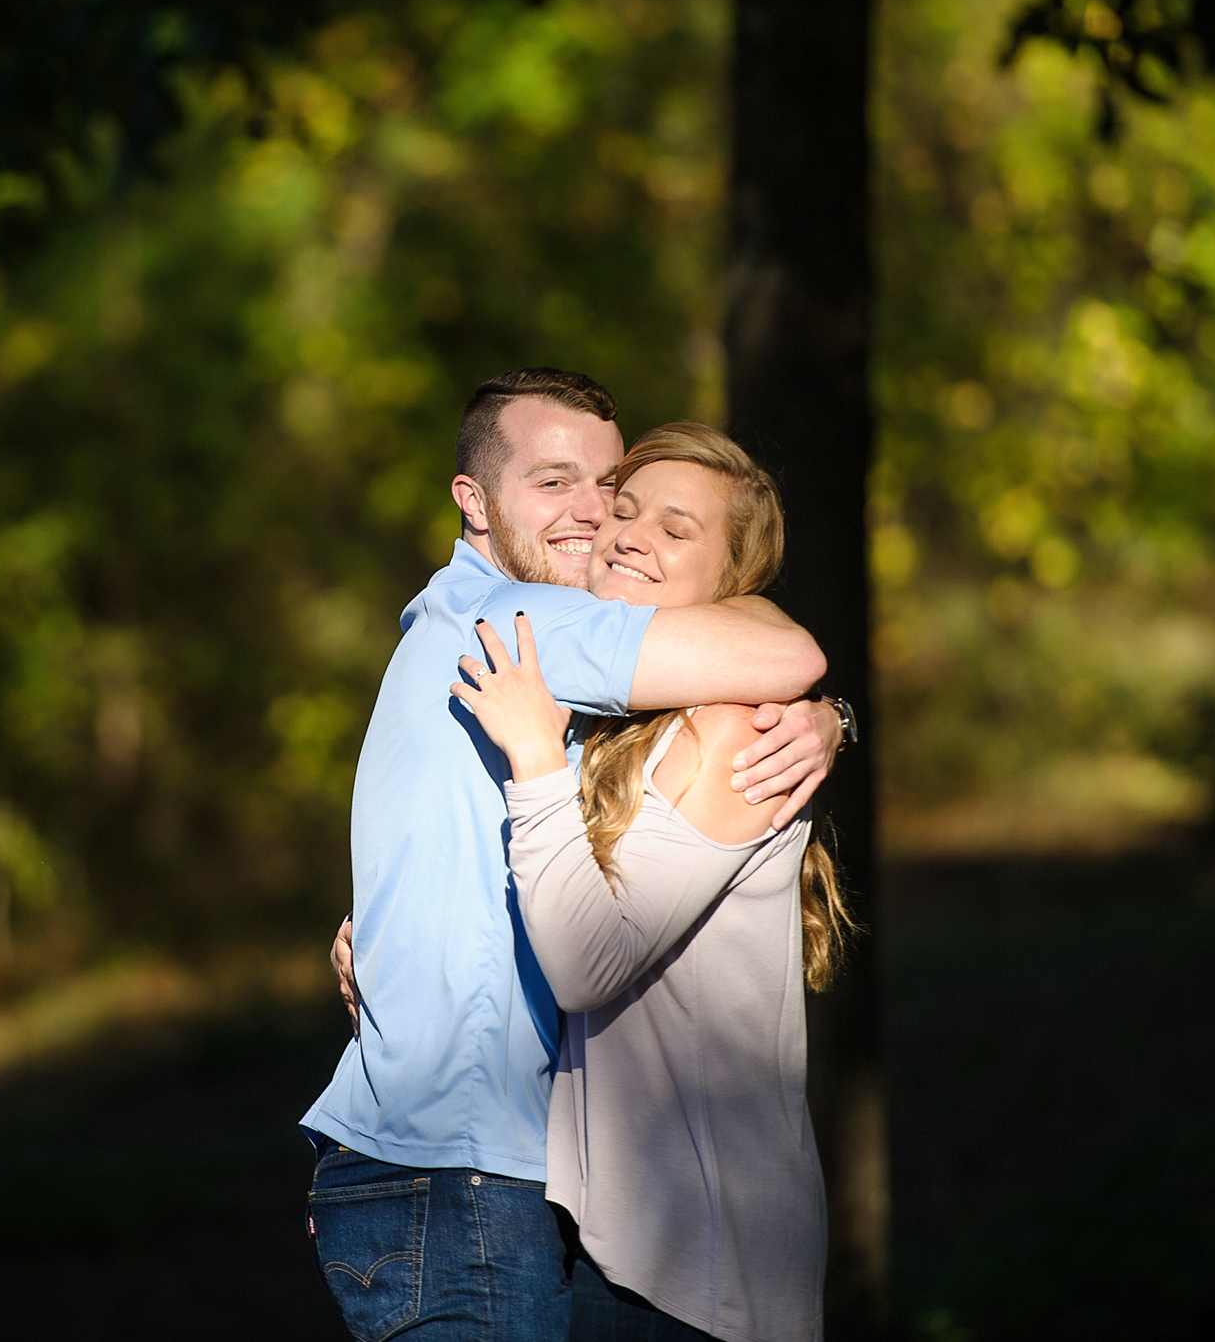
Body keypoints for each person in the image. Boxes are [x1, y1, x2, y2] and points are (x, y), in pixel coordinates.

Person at [301, 369, 846, 1342]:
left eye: (607, 487)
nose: (599, 519)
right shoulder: (526, 629)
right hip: (459, 1175)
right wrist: (823, 706)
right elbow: (788, 653)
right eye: (554, 484)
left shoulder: (537, 665)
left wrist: (828, 721)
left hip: (539, 1206)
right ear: (471, 499)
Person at [451, 422, 852, 1342]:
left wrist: (529, 761)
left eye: (677, 530)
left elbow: (585, 962)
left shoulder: (728, 731)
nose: (630, 534)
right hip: (619, 1245)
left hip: (689, 1267)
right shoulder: (617, 729)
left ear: (732, 587)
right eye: (623, 512)